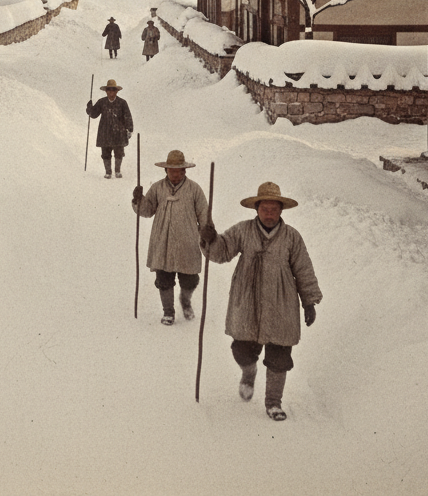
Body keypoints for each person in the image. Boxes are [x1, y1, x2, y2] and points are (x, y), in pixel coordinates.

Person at [200, 181, 322, 422]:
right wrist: (210, 240)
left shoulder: (292, 237)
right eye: (264, 209)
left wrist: (309, 301)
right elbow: (222, 252)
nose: (269, 214)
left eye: (274, 209)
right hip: (247, 301)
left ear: (281, 211)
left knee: (279, 356)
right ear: (256, 209)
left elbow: (304, 269)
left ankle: (274, 403)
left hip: (281, 303)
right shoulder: (243, 231)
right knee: (241, 350)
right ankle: (249, 372)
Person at [132, 150, 208, 325]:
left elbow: (204, 214)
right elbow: (147, 210)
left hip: (187, 240)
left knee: (190, 278)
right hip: (162, 239)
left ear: (184, 171)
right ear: (165, 170)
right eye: (171, 170)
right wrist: (138, 200)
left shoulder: (194, 189)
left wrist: (206, 232)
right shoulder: (157, 188)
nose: (175, 174)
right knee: (164, 278)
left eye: (178, 170)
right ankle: (168, 312)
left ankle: (186, 301)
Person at [85, 79, 133, 178]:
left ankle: (117, 171)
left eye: (113, 90)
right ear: (106, 91)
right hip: (105, 132)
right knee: (105, 153)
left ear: (117, 91)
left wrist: (129, 129)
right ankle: (108, 172)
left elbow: (128, 116)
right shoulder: (101, 102)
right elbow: (94, 114)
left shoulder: (122, 103)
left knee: (119, 153)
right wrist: (90, 108)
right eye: (109, 90)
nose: (111, 93)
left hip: (119, 133)